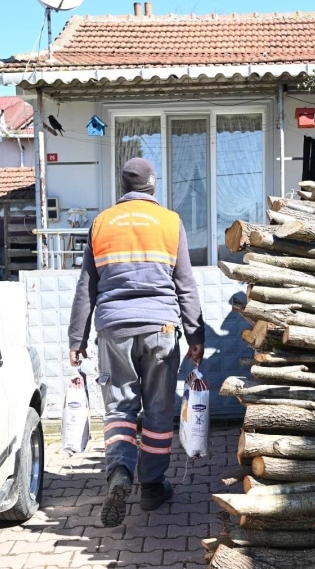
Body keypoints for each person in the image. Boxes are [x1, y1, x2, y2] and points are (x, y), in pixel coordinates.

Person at [68, 158, 205, 527]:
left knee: (120, 410)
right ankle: (151, 486)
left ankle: (119, 475)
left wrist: (76, 338)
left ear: (122, 186)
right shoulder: (170, 222)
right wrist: (196, 335)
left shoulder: (102, 223)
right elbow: (185, 285)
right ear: (153, 185)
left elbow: (87, 286)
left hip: (113, 329)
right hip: (161, 327)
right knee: (159, 414)